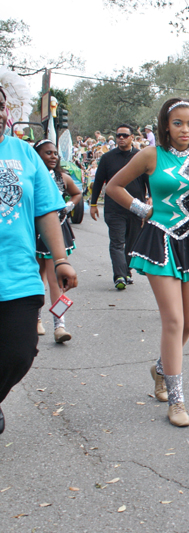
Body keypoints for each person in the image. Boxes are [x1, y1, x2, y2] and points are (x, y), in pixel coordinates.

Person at [105, 97, 189, 427]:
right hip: (159, 239)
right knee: (174, 321)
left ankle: (161, 368)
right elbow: (114, 186)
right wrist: (142, 209)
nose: (185, 130)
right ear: (166, 125)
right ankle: (176, 401)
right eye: (178, 123)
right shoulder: (151, 155)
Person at [0, 86, 79, 435]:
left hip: (16, 275)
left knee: (19, 353)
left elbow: (47, 209)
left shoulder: (24, 154)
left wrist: (60, 259)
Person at [90, 124, 150, 290]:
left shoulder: (140, 157)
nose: (121, 138)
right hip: (114, 208)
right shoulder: (107, 158)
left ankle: (127, 270)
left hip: (136, 208)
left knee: (132, 242)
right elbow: (99, 182)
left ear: (132, 137)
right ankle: (120, 276)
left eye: (125, 135)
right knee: (117, 242)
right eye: (118, 136)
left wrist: (151, 198)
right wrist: (93, 203)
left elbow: (148, 180)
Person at [33, 140, 81, 342]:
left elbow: (77, 193)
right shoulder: (31, 175)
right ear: (37, 155)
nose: (53, 156)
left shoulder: (62, 177)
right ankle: (36, 319)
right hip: (34, 233)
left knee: (57, 282)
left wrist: (69, 205)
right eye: (47, 153)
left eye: (55, 153)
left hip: (56, 233)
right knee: (36, 279)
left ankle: (59, 324)